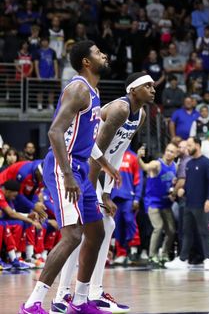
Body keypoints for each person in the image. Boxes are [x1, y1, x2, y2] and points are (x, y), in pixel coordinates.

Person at [20, 41, 119, 314]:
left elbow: (85, 139)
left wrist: (105, 164)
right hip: (64, 168)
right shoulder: (78, 89)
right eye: (99, 52)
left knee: (96, 232)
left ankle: (79, 300)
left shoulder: (95, 92)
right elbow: (54, 133)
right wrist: (68, 175)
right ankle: (33, 303)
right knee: (73, 235)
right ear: (86, 62)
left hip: (79, 168)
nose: (104, 54)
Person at [51, 72, 154, 313]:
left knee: (105, 226)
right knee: (83, 229)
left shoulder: (140, 115)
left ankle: (90, 292)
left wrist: (106, 191)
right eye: (147, 85)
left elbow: (116, 154)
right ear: (132, 90)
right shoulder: (119, 109)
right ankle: (65, 294)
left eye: (152, 86)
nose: (153, 89)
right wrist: (90, 191)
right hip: (82, 167)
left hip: (99, 172)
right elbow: (95, 151)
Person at [165, 137, 209, 271]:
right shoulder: (189, 164)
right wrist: (184, 189)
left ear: (197, 145)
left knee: (204, 232)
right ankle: (183, 259)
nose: (187, 148)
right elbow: (190, 182)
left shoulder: (206, 163)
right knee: (186, 232)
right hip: (189, 203)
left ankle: (208, 259)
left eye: (189, 145)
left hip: (201, 204)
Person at [138, 142, 178, 266]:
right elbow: (144, 167)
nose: (168, 153)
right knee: (158, 227)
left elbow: (173, 183)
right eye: (167, 150)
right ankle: (152, 255)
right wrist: (138, 157)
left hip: (166, 203)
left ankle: (164, 254)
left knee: (171, 230)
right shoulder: (157, 164)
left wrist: (173, 192)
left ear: (175, 154)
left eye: (172, 151)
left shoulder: (175, 167)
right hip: (153, 202)